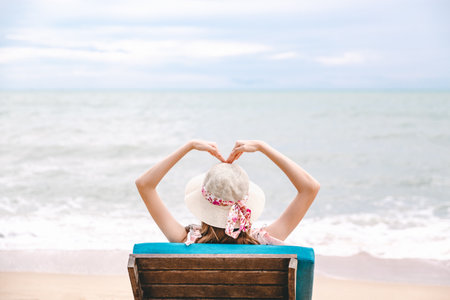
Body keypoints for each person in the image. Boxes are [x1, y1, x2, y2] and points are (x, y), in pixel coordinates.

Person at [135, 140, 320, 245]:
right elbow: (309, 188)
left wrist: (189, 146)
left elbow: (144, 184)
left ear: (203, 202)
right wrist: (263, 147)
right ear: (246, 202)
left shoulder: (184, 240)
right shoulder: (263, 242)